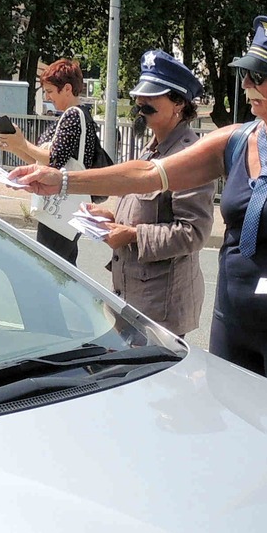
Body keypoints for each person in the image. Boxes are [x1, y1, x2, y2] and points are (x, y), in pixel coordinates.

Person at [10, 17, 267, 404]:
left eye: (258, 76)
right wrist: (64, 181)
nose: (247, 85)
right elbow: (149, 174)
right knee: (231, 443)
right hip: (234, 324)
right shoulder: (235, 141)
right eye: (245, 75)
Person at [82, 50, 216, 335]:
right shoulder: (151, 149)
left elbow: (193, 233)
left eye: (152, 97)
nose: (141, 103)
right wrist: (109, 216)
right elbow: (144, 208)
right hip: (132, 297)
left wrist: (132, 235)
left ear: (178, 103)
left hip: (160, 308)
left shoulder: (189, 157)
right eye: (140, 96)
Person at [0, 58, 107, 263]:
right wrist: (13, 144)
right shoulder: (69, 117)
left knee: (51, 268)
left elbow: (54, 159)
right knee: (62, 267)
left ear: (68, 89)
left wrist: (22, 142)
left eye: (51, 91)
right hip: (62, 204)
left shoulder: (73, 115)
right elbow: (40, 160)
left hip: (62, 204)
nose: (47, 97)